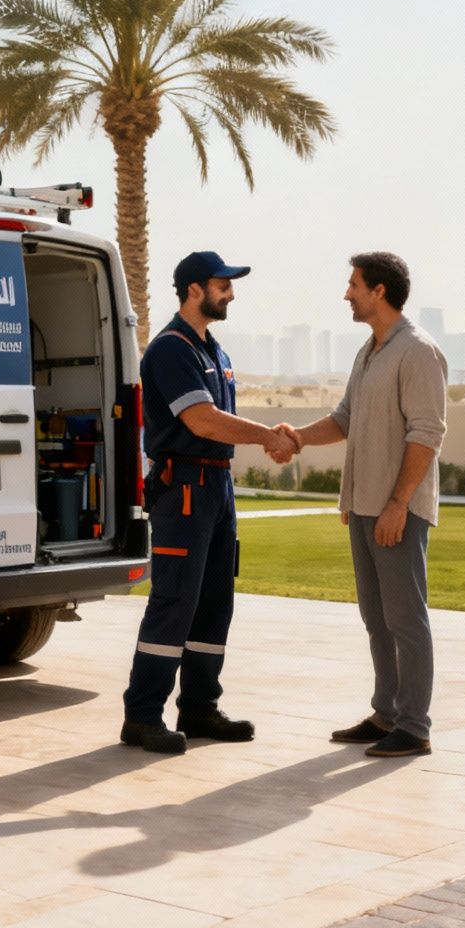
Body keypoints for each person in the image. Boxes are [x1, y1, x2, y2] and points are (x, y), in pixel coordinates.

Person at [121, 251, 297, 755]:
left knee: (215, 603)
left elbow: (218, 422)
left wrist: (266, 437)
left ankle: (199, 708)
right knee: (174, 602)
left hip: (217, 488)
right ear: (194, 289)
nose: (231, 293)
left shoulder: (214, 352)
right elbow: (202, 420)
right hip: (185, 490)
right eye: (223, 284)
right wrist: (270, 436)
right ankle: (142, 715)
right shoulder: (170, 350)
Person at [282, 252, 447, 758]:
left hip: (397, 509)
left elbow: (427, 433)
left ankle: (414, 726)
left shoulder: (417, 352)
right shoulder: (369, 351)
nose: (346, 293)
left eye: (353, 284)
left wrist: (399, 503)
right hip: (364, 506)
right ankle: (386, 713)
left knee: (406, 619)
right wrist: (295, 439)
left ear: (379, 291)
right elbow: (345, 418)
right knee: (376, 618)